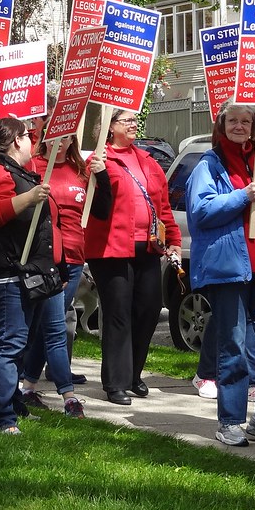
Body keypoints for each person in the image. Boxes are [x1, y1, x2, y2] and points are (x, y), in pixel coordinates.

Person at [186, 102, 255, 446]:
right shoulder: (209, 163)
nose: (239, 125)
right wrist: (241, 196)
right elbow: (200, 211)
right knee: (233, 345)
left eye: (245, 120)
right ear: (222, 124)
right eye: (232, 120)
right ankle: (231, 419)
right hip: (231, 268)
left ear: (254, 125)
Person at [0, 117, 83, 432]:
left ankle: (14, 405)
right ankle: (1, 417)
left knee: (23, 341)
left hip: (31, 270)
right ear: (16, 141)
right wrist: (30, 197)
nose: (34, 141)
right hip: (7, 271)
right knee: (10, 342)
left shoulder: (21, 172)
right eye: (29, 135)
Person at [85, 108, 181, 406]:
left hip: (148, 247)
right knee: (118, 314)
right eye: (126, 120)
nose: (133, 124)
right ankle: (115, 381)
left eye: (134, 120)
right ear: (109, 127)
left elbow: (162, 206)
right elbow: (97, 208)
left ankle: (132, 372)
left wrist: (174, 241)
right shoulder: (99, 160)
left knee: (149, 309)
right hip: (111, 248)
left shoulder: (147, 160)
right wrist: (97, 175)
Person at [22, 132, 107, 396]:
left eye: (66, 138)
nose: (59, 143)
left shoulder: (80, 170)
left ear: (73, 141)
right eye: (54, 137)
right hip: (42, 257)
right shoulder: (32, 167)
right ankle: (65, 392)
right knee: (49, 323)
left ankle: (29, 385)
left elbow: (102, 210)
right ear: (45, 139)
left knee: (50, 321)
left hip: (72, 258)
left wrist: (101, 176)